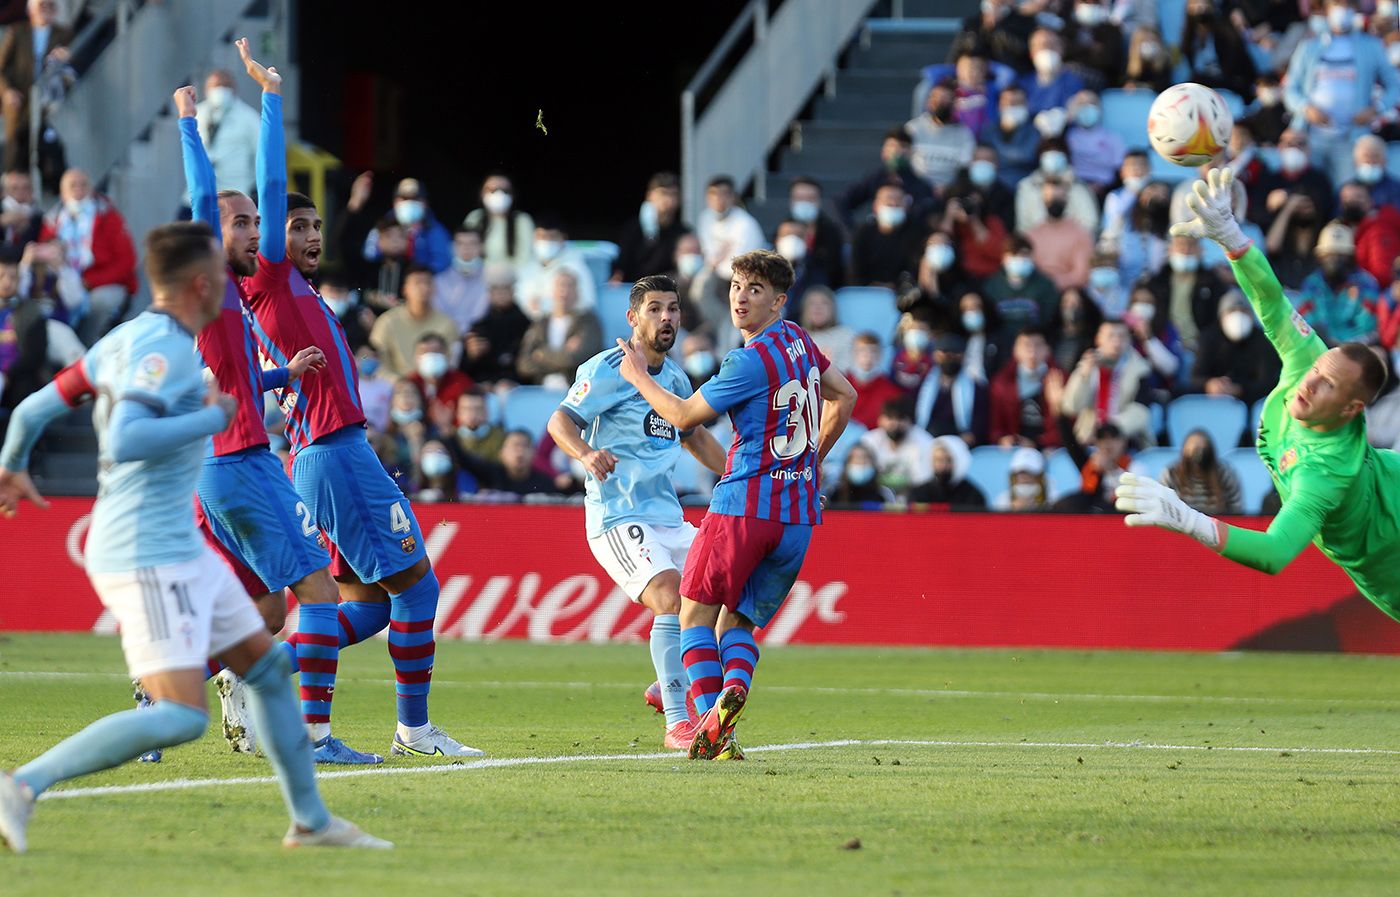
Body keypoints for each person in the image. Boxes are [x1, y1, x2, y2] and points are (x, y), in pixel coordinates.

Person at [0, 221, 390, 852]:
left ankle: (311, 822)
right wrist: (211, 418)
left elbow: (35, 407)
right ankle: (21, 785)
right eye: (226, 274)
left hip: (174, 543)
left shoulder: (126, 338)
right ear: (203, 284)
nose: (236, 286)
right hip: (143, 549)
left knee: (263, 670)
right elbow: (125, 437)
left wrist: (12, 463)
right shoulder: (167, 351)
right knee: (181, 716)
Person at [236, 43, 478, 760]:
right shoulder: (271, 280)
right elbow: (271, 183)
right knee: (418, 591)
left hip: (329, 452)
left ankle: (258, 676)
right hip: (335, 453)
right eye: (295, 227)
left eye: (315, 227)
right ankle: (412, 729)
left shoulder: (302, 292)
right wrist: (272, 100)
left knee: (363, 605)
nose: (309, 236)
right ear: (268, 241)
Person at [175, 80, 377, 764]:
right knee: (319, 595)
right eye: (243, 224)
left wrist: (279, 375)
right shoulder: (212, 279)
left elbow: (233, 376)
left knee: (263, 613)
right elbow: (220, 195)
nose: (256, 234)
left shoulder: (228, 297)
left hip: (221, 467)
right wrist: (199, 121)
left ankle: (166, 691)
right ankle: (315, 738)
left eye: (258, 226)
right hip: (242, 463)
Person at [1118, 166, 1400, 623]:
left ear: (1351, 409)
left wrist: (1188, 519)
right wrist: (1231, 237)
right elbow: (1271, 301)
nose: (1310, 380)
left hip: (1391, 555)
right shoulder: (1309, 361)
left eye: (1327, 384)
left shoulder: (1324, 473)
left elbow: (1273, 553)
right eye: (1319, 369)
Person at [612, 249, 856, 760]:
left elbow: (682, 417)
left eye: (756, 290)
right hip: (797, 516)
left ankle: (711, 731)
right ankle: (733, 694)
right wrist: (810, 463)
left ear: (779, 301)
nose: (741, 297)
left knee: (694, 617)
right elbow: (846, 397)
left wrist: (638, 377)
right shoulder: (801, 342)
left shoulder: (749, 360)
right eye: (737, 286)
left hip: (743, 506)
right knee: (736, 624)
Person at [546, 275, 727, 749]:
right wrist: (585, 454)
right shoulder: (610, 367)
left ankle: (669, 678)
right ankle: (677, 722)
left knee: (725, 597)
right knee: (671, 599)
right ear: (633, 317)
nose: (666, 317)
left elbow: (696, 438)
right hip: (618, 516)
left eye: (672, 308)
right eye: (654, 309)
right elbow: (559, 420)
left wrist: (741, 473)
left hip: (667, 515)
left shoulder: (675, 378)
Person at [1284, 0, 1400, 187]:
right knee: (1310, 193)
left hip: (1350, 139)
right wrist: (1306, 109)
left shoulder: (1371, 46)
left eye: (1347, 6)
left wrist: (1376, 109)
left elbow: (1394, 86)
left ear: (1355, 10)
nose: (1342, 11)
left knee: (1345, 192)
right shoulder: (1309, 47)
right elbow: (1290, 89)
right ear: (1327, 10)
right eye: (1336, 5)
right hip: (1311, 138)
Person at [38, 168, 139, 345]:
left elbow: (126, 261)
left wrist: (90, 281)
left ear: (92, 189)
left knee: (98, 302)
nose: (78, 189)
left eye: (83, 184)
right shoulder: (53, 221)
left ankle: (86, 349)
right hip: (63, 282)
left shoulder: (108, 216)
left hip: (99, 285)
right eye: (73, 185)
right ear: (63, 192)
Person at [0, 0, 71, 175]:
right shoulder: (17, 31)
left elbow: (72, 68)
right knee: (16, 146)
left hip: (48, 99)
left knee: (48, 144)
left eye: (50, 5)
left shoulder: (64, 34)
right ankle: (14, 186)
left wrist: (67, 59)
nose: (45, 9)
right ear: (30, 9)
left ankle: (51, 182)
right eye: (41, 5)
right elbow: (2, 68)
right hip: (20, 98)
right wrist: (7, 91)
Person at [1060, 318, 1154, 445]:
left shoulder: (1141, 369)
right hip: (1089, 439)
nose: (1116, 342)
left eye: (1122, 337)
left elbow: (1140, 412)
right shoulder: (1088, 364)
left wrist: (1107, 432)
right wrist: (1084, 376)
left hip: (1128, 439)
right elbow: (1071, 407)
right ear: (1098, 339)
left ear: (1129, 340)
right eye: (1110, 336)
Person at [368, 263, 461, 379]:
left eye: (428, 283)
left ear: (434, 288)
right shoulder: (387, 322)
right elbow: (377, 362)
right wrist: (401, 384)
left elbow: (452, 363)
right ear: (404, 289)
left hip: (436, 387)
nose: (423, 288)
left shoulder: (447, 324)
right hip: (397, 390)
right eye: (417, 283)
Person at [1296, 220, 1381, 344]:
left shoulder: (1367, 283)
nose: (1334, 260)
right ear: (1319, 257)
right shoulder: (1311, 285)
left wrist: (1343, 348)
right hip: (1320, 348)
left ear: (1351, 257)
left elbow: (1368, 326)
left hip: (1357, 350)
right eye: (1329, 255)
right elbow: (1305, 324)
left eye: (1341, 255)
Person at [1191, 289, 1282, 404]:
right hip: (1212, 403)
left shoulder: (1264, 340)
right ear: (1221, 316)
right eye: (1231, 310)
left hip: (1252, 405)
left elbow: (1268, 382)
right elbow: (1195, 378)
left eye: (1244, 311)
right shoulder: (1208, 338)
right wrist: (1209, 384)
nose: (1238, 315)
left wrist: (1240, 390)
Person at [516, 268, 602, 387]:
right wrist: (563, 355)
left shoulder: (588, 322)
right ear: (551, 291)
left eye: (569, 286)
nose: (564, 291)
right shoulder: (540, 323)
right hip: (541, 391)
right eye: (560, 285)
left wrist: (541, 355)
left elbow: (577, 358)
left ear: (577, 292)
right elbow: (524, 364)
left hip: (576, 391)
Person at [840, 128, 936, 226]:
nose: (897, 151)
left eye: (903, 146)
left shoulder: (921, 186)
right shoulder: (874, 179)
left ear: (911, 152)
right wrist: (851, 231)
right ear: (883, 151)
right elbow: (841, 202)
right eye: (892, 146)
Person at [989, 326, 1064, 450]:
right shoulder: (1001, 382)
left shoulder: (1061, 379)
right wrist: (1002, 439)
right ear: (1015, 350)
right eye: (1026, 346)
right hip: (1014, 449)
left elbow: (1066, 425)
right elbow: (995, 426)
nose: (1032, 352)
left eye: (1038, 346)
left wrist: (1038, 442)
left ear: (1047, 350)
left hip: (1050, 449)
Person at [912, 331, 989, 445]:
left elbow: (979, 425)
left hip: (960, 444)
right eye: (944, 353)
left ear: (963, 357)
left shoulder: (976, 389)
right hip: (926, 443)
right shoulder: (922, 385)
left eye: (955, 354)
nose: (950, 358)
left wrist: (969, 437)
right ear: (935, 355)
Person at [614, 172, 688, 284]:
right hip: (635, 289)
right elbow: (622, 264)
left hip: (668, 289)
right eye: (663, 193)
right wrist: (617, 277)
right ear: (649, 196)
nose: (668, 199)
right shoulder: (633, 228)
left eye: (673, 194)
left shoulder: (683, 233)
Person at [516, 217, 596, 320]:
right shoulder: (527, 266)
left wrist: (546, 305)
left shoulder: (576, 266)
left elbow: (587, 302)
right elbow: (520, 298)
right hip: (534, 326)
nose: (546, 241)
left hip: (570, 325)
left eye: (552, 237)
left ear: (563, 239)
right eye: (541, 236)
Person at [461, 265, 530, 384]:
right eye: (496, 289)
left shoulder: (526, 325)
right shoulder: (479, 327)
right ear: (489, 292)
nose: (501, 294)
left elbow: (528, 366)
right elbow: (464, 369)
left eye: (505, 289)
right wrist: (470, 356)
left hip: (517, 388)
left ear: (513, 290)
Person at [195, 69, 259, 195]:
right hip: (201, 190)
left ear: (234, 89)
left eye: (225, 86)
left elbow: (260, 153)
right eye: (216, 86)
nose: (221, 90)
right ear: (207, 89)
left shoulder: (249, 117)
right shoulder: (197, 113)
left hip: (236, 190)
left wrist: (255, 186)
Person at [850, 179, 925, 287]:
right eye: (888, 200)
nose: (893, 204)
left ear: (906, 206)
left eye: (898, 200)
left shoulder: (917, 233)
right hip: (867, 292)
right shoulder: (863, 232)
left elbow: (914, 269)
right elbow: (855, 269)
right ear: (875, 206)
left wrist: (895, 285)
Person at [905, 78, 977, 191]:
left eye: (944, 98)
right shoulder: (913, 128)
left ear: (954, 103)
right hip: (917, 189)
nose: (938, 102)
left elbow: (964, 169)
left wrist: (947, 189)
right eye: (934, 97)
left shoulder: (964, 134)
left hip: (951, 191)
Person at [1024, 179, 1093, 290]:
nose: (1054, 201)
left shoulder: (1081, 234)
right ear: (1043, 200)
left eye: (1059, 197)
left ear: (1067, 199)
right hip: (1037, 292)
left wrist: (1051, 285)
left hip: (1069, 291)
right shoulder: (1031, 235)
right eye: (1050, 198)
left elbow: (1081, 275)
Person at [696, 175, 766, 284]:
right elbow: (708, 254)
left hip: (747, 276)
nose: (718, 199)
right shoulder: (705, 218)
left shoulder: (745, 223)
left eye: (724, 194)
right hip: (716, 272)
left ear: (733, 197)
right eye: (713, 194)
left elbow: (738, 265)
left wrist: (715, 263)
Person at [982, 233, 1060, 330]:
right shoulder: (992, 286)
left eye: (1024, 255)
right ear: (1004, 258)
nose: (1020, 259)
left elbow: (1049, 320)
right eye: (1014, 254)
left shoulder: (1045, 285)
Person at [1161, 429, 1243, 516]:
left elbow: (1236, 510)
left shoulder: (1225, 472)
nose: (1198, 453)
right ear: (1184, 450)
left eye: (1201, 448)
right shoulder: (1171, 473)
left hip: (1217, 525)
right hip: (1178, 526)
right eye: (1193, 447)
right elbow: (1163, 506)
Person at [1055, 420, 1133, 512]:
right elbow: (1089, 497)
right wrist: (1099, 473)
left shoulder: (1133, 466)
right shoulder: (1089, 463)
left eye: (1112, 438)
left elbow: (1125, 497)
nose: (1107, 443)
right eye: (1103, 439)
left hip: (1119, 514)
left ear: (1123, 442)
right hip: (1091, 513)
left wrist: (1110, 469)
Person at [784, 176, 846, 291]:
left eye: (810, 198)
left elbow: (833, 273)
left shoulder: (831, 233)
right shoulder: (783, 230)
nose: (805, 203)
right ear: (791, 201)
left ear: (819, 201)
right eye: (800, 198)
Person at [463, 173, 535, 270]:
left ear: (513, 195)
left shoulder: (522, 220)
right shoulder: (475, 217)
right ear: (482, 193)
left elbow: (524, 259)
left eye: (505, 191)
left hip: (513, 279)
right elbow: (466, 251)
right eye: (492, 190)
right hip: (478, 278)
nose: (499, 194)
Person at [1338, 180, 1400, 289]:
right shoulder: (1344, 228)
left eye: (1358, 198)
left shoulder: (1380, 228)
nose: (1352, 202)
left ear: (1371, 201)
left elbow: (1383, 276)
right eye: (1347, 199)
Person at [404, 332, 474, 429]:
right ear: (416, 358)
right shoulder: (409, 382)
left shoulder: (461, 382)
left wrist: (448, 425)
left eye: (436, 351)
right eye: (424, 352)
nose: (430, 357)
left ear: (447, 355)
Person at [983, 84, 1041, 190]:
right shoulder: (989, 130)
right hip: (996, 187)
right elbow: (985, 158)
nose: (1012, 106)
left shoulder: (1036, 129)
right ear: (1000, 105)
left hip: (1028, 186)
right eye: (1008, 102)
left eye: (1018, 103)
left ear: (1026, 104)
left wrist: (1000, 155)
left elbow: (1027, 155)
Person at [432, 226, 488, 334]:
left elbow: (482, 316)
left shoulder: (490, 279)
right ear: (452, 247)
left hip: (479, 336)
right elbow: (439, 315)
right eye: (460, 243)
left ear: (482, 247)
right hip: (446, 336)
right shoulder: (438, 280)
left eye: (473, 243)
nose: (466, 248)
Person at [908, 435, 987, 507]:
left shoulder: (973, 495)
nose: (943, 465)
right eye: (938, 460)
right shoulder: (919, 493)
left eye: (948, 460)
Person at [847, 331, 903, 429]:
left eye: (873, 352)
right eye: (861, 351)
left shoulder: (892, 393)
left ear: (880, 356)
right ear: (852, 354)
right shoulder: (839, 384)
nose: (867, 357)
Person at [798, 285, 855, 373]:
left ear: (833, 308)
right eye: (812, 303)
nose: (818, 308)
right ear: (805, 310)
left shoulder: (845, 334)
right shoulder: (797, 336)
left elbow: (851, 371)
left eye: (824, 303)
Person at [827, 443, 895, 506]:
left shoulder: (883, 494)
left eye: (865, 458)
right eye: (856, 458)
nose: (861, 462)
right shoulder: (835, 493)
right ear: (847, 464)